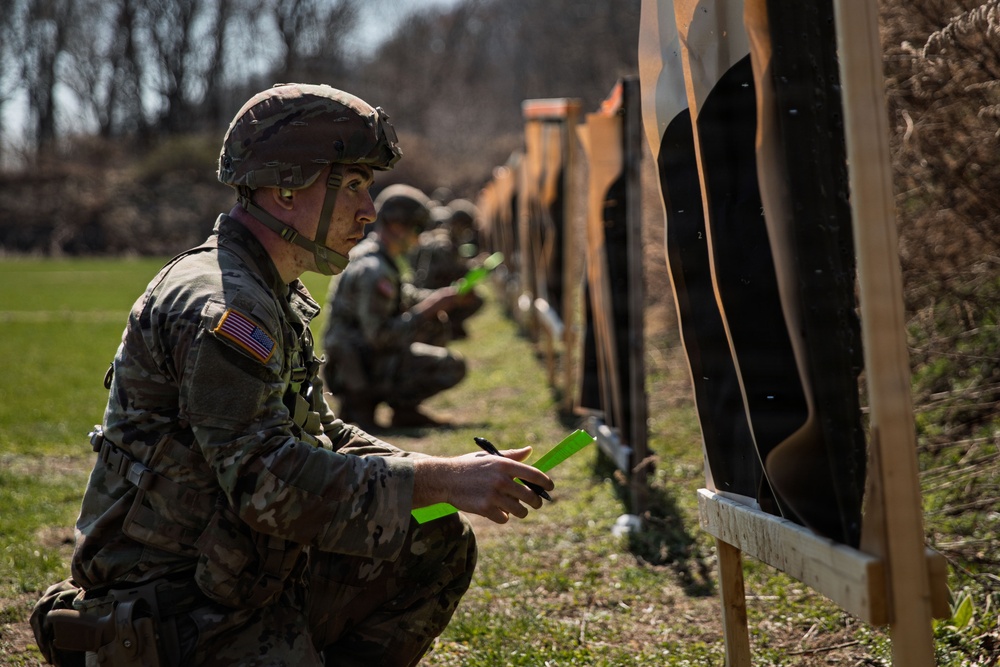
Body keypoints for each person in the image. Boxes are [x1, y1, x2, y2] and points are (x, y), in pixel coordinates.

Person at [32, 83, 553, 667]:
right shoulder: (222, 305)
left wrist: (445, 476)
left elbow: (323, 434)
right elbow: (266, 482)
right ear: (283, 189)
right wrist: (440, 482)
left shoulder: (268, 292)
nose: (368, 211)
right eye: (352, 186)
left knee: (434, 539)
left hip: (232, 565)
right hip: (173, 600)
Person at [322, 184, 479, 430]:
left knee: (435, 324)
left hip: (359, 360)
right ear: (397, 226)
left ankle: (402, 410)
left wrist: (446, 297)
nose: (420, 238)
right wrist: (428, 307)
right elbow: (380, 336)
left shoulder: (377, 258)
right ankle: (363, 405)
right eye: (417, 229)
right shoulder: (375, 271)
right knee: (451, 365)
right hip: (356, 368)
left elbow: (406, 296)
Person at [408, 198, 485, 339]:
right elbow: (453, 270)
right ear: (457, 224)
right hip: (430, 290)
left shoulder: (441, 238)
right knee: (475, 299)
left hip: (426, 286)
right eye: (464, 227)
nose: (465, 232)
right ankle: (450, 327)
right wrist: (476, 268)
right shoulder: (444, 244)